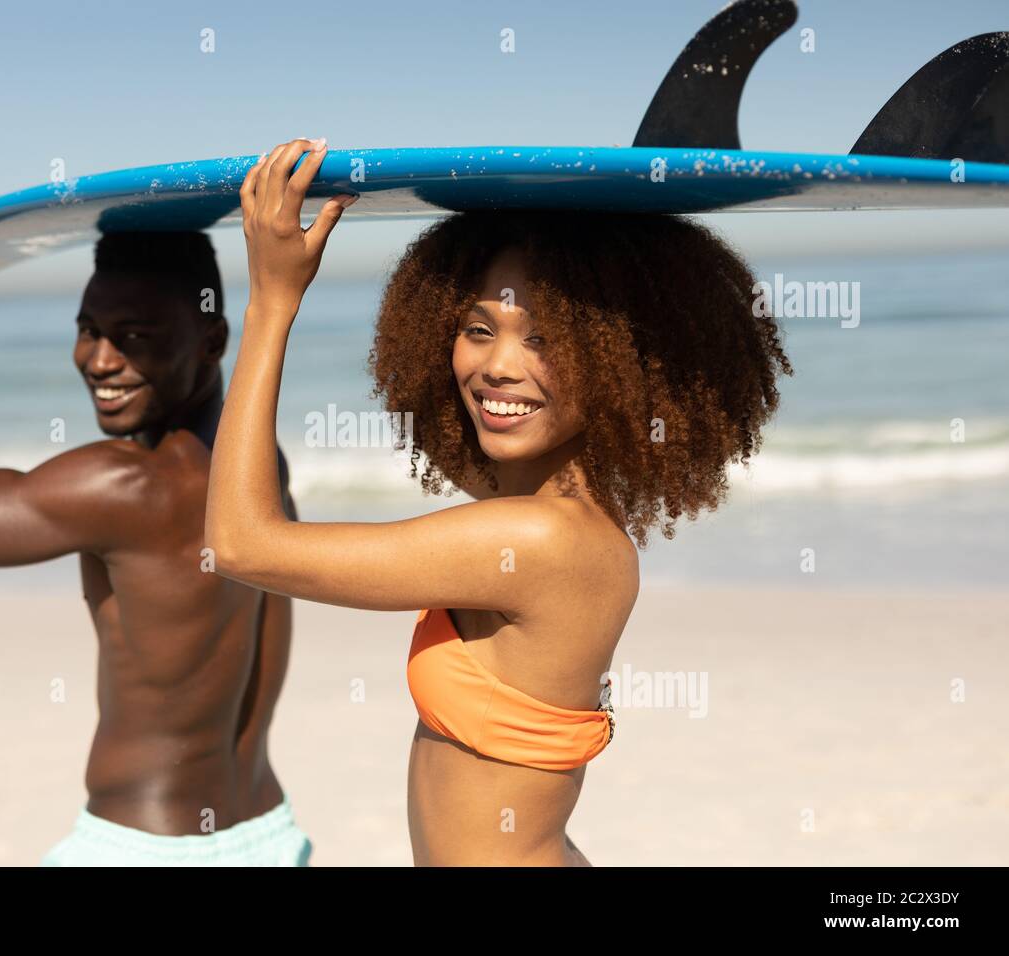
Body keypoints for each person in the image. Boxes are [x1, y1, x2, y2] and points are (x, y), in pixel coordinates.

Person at [205, 138, 792, 865]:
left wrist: (271, 302)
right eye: (477, 330)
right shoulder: (546, 504)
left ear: (623, 360)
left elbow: (237, 543)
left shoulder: (538, 542)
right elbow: (440, 431)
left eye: (545, 338)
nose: (497, 367)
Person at [0, 218, 311, 866]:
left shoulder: (123, 485)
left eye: (134, 338)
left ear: (212, 341)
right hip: (267, 836)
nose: (99, 360)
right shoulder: (261, 466)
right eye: (88, 330)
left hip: (144, 848)